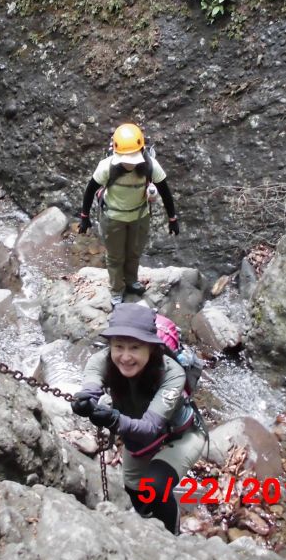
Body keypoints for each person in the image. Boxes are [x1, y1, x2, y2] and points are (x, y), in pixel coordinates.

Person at [71, 303, 205, 534]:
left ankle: (172, 536)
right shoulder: (101, 361)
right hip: (139, 438)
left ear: (151, 348)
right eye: (118, 346)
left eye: (135, 347)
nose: (125, 356)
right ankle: (147, 522)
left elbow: (150, 427)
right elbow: (91, 387)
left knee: (156, 486)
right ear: (110, 346)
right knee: (134, 488)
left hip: (181, 435)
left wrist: (113, 420)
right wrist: (83, 402)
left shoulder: (171, 373)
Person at [77, 123, 179, 305]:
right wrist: (85, 217)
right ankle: (117, 289)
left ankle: (131, 281)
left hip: (139, 217)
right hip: (113, 219)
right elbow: (89, 190)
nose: (129, 163)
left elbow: (165, 191)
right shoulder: (106, 167)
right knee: (116, 257)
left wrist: (172, 218)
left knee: (134, 253)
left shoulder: (150, 166)